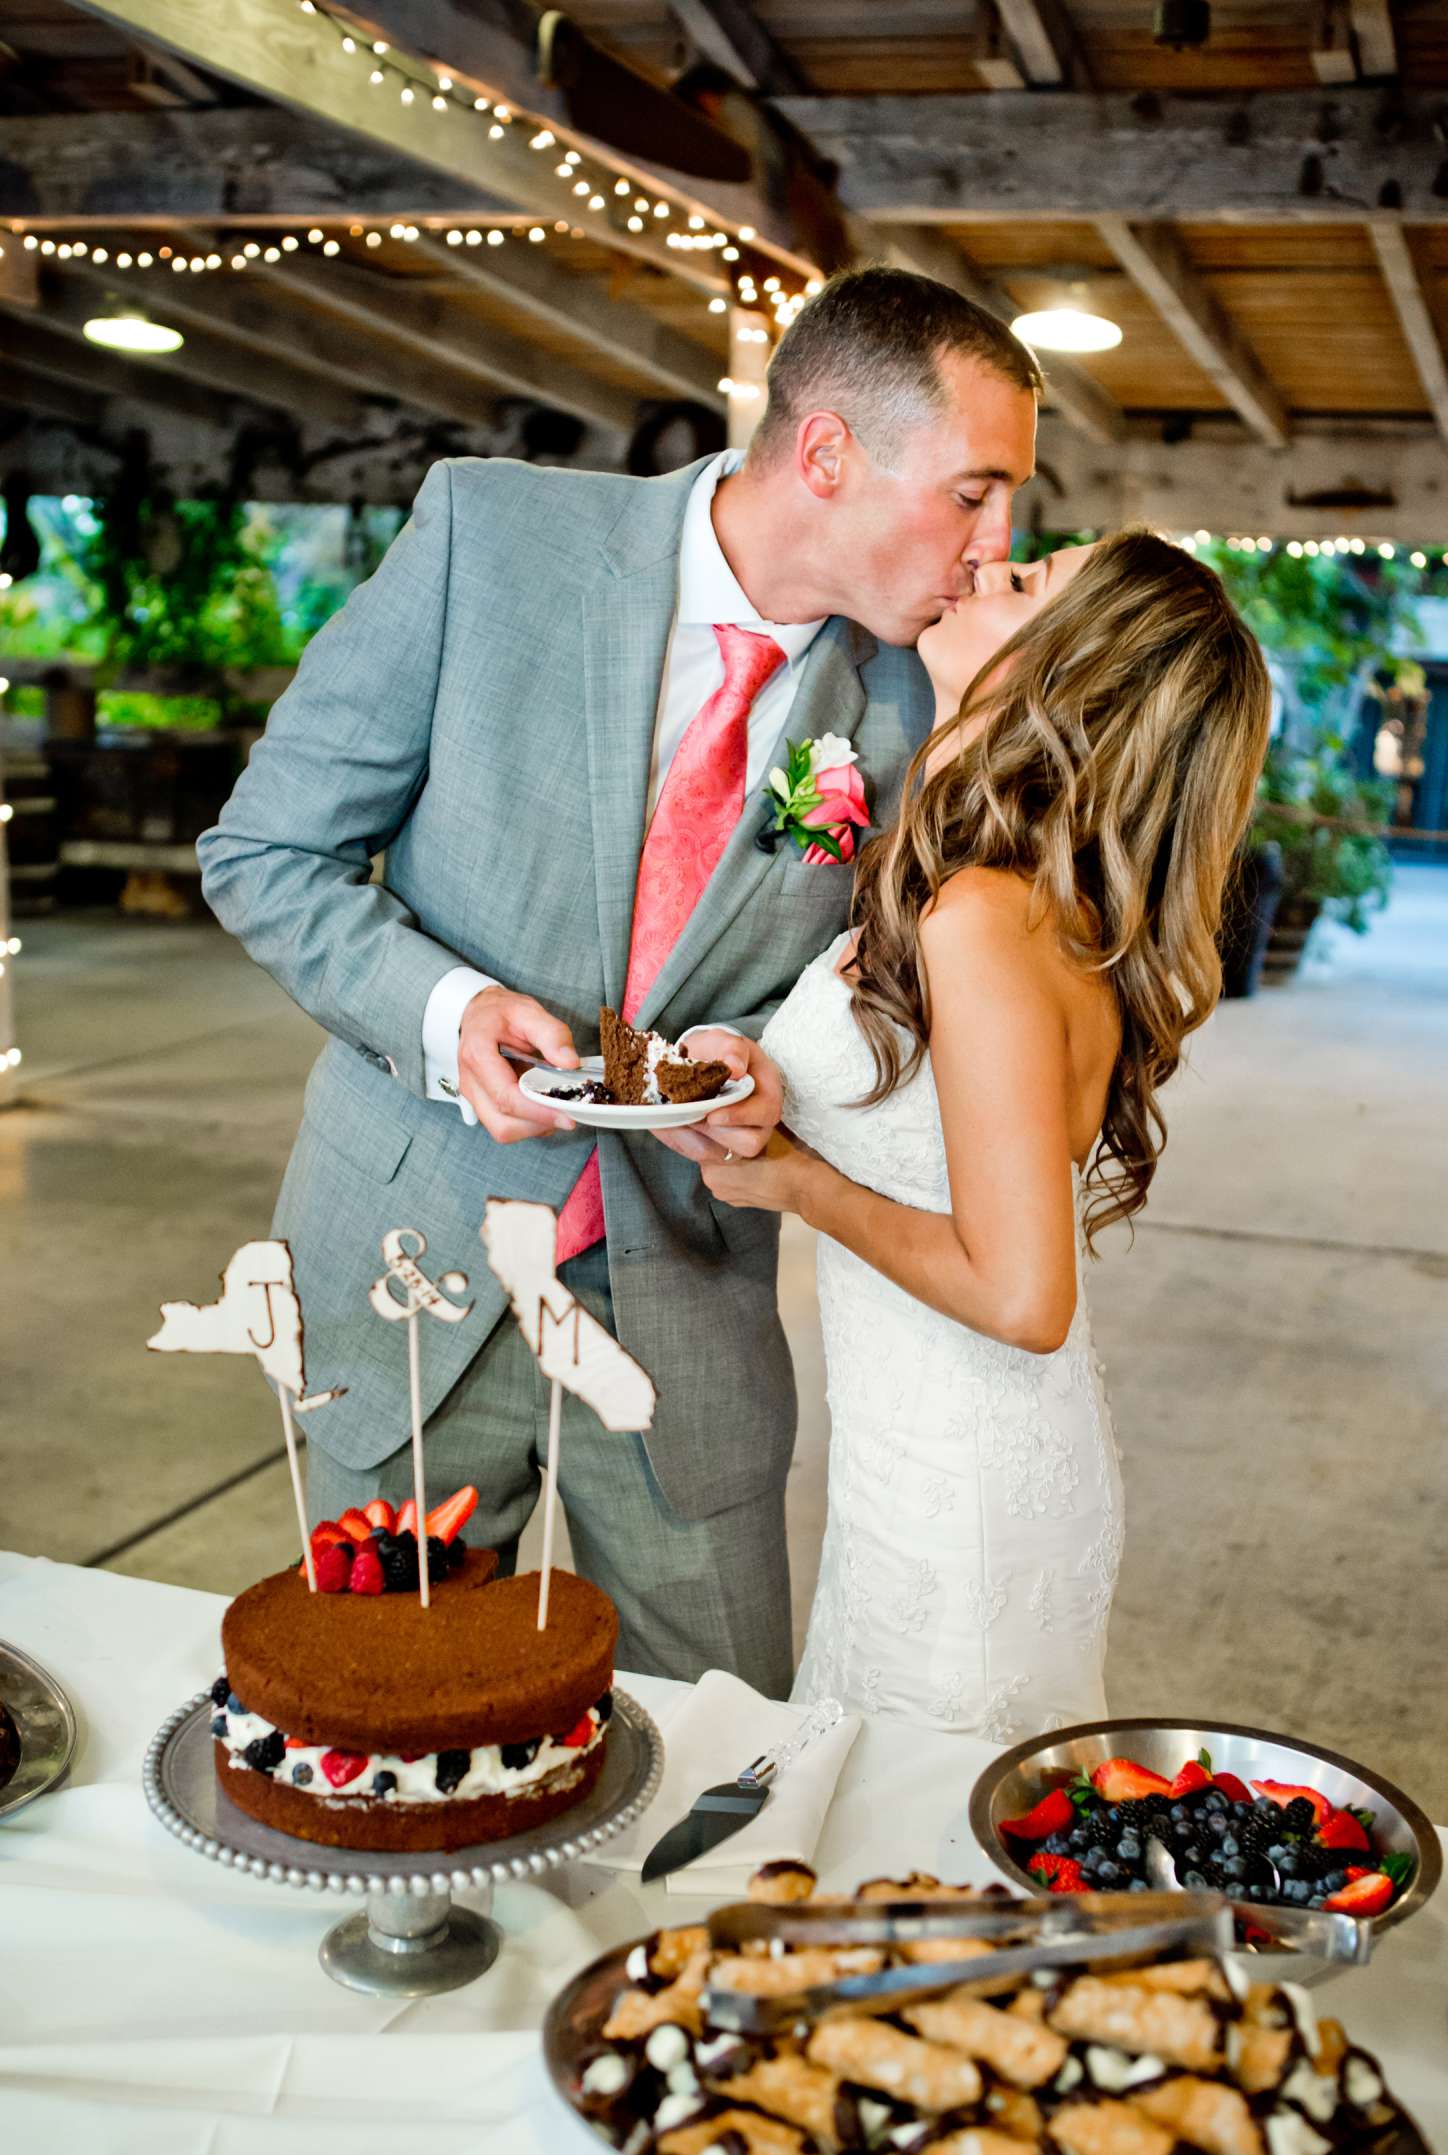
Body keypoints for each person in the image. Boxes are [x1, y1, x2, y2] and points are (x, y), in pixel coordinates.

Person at [198, 267, 1041, 1696]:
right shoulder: (490, 536)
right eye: (974, 491)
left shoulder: (928, 695)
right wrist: (446, 1013)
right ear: (829, 452)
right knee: (382, 1720)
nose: (997, 540)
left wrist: (784, 1069)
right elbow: (265, 848)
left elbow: (899, 994)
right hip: (412, 1280)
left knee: (726, 1766)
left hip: (688, 1314)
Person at [701, 531, 1272, 1739]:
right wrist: (766, 1081)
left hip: (959, 1491)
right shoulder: (996, 889)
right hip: (917, 1458)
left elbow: (1025, 1296)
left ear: (1069, 677)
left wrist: (800, 1185)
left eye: (1024, 586)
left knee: (921, 1854)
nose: (982, 567)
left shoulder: (986, 915)